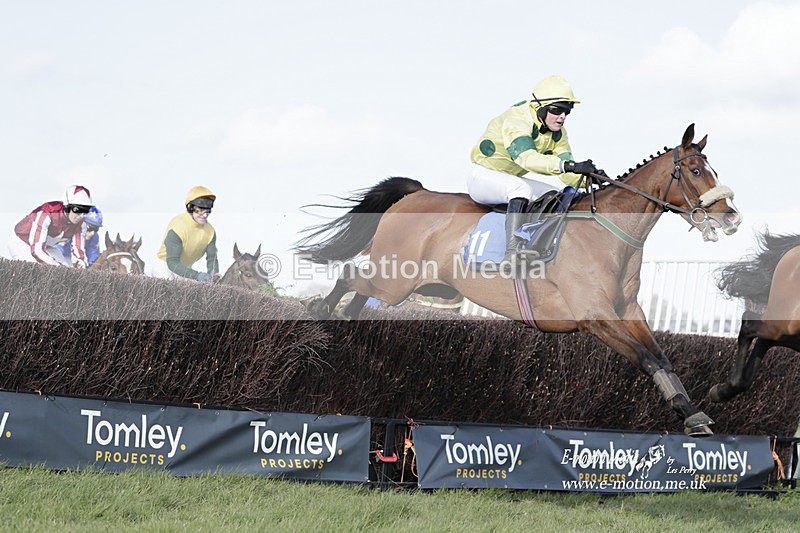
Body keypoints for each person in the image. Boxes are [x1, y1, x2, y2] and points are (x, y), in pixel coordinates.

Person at [468, 75, 605, 263]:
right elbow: (527, 159)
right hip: (483, 176)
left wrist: (589, 178)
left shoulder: (558, 133)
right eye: (558, 110)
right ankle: (512, 252)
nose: (562, 117)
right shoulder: (517, 119)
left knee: (555, 195)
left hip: (509, 179)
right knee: (520, 189)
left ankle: (539, 246)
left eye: (568, 111)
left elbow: (566, 170)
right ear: (539, 107)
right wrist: (569, 166)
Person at [8, 185, 94, 267]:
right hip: (21, 243)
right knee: (38, 269)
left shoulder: (81, 224)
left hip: (46, 247)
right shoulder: (47, 213)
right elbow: (36, 251)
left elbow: (79, 254)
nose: (82, 216)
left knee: (67, 269)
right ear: (66, 206)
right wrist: (57, 267)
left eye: (86, 210)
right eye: (77, 209)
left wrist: (81, 268)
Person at [152, 186, 220, 281]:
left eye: (207, 210)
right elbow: (172, 263)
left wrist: (214, 274)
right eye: (200, 210)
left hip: (186, 268)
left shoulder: (210, 231)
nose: (204, 215)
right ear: (190, 208)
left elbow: (212, 258)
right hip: (165, 266)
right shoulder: (178, 227)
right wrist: (197, 275)